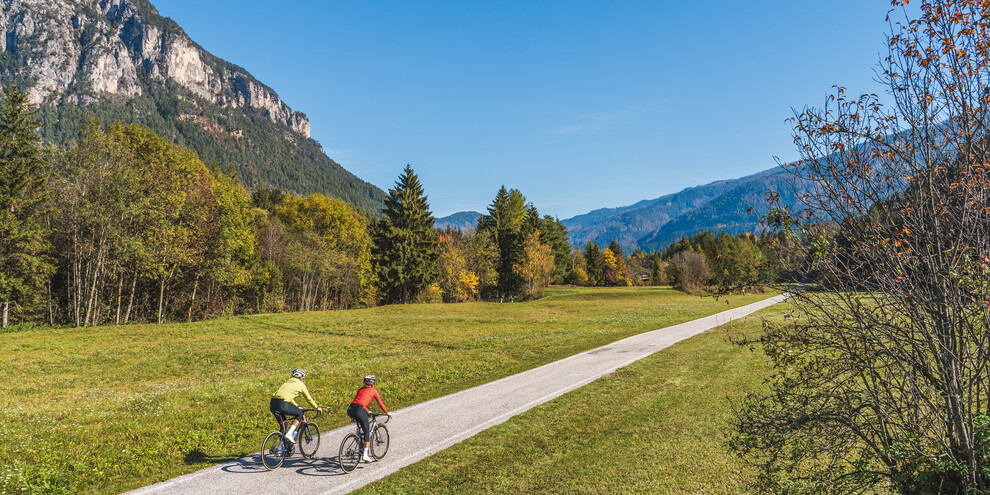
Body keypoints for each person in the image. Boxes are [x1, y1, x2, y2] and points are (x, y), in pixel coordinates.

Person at [270, 368, 322, 444]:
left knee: (283, 425)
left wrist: (296, 406)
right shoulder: (300, 384)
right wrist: (316, 407)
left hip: (273, 403)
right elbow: (308, 398)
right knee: (299, 414)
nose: (303, 380)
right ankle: (289, 434)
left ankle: (282, 448)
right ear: (300, 377)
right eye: (303, 378)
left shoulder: (287, 382)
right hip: (283, 403)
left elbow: (288, 397)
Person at [347, 375, 392, 462]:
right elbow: (380, 402)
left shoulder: (360, 389)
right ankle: (365, 455)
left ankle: (357, 435)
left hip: (350, 409)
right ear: (372, 384)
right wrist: (387, 412)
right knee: (367, 431)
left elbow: (359, 401)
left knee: (360, 419)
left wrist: (367, 411)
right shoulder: (373, 391)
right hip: (360, 410)